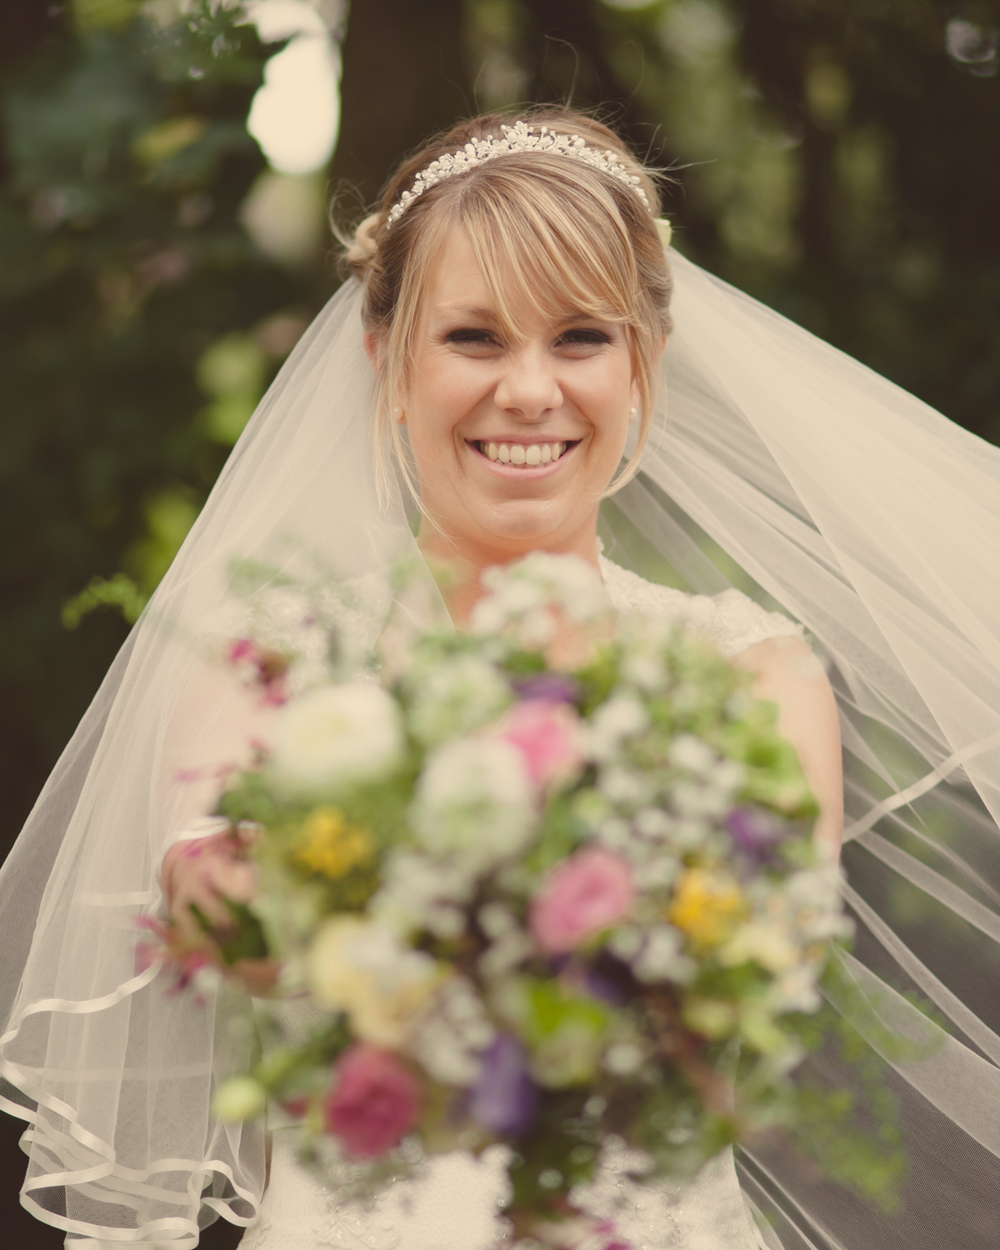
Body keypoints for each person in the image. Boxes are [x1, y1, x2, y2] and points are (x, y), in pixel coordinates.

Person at [1, 107, 999, 1250]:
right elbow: (228, 916)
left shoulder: (748, 670)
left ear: (645, 364)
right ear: (386, 357)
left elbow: (754, 954)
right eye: (473, 337)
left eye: (580, 337)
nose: (529, 392)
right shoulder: (264, 655)